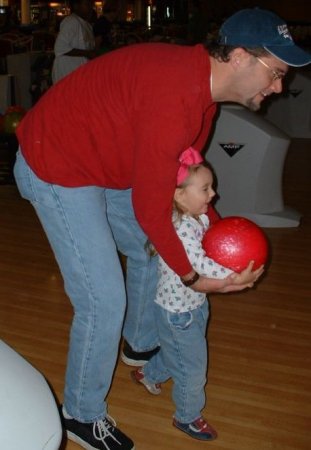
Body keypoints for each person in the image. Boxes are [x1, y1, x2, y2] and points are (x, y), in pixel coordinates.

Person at [13, 7, 310, 450]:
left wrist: (217, 236)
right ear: (241, 57)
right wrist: (197, 279)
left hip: (105, 163)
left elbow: (184, 187)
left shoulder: (204, 100)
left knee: (150, 249)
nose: (279, 87)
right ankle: (80, 413)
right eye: (275, 72)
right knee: (103, 300)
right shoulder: (177, 99)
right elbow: (153, 212)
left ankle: (140, 343)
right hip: (56, 163)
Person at [131, 147, 239, 441]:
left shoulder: (198, 218)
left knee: (176, 351)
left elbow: (212, 245)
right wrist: (231, 272)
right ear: (179, 196)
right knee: (193, 370)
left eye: (211, 186)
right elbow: (199, 263)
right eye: (205, 188)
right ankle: (187, 417)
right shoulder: (179, 229)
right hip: (178, 313)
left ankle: (147, 374)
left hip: (194, 303)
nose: (213, 193)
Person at [52, 0, 96, 83]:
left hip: (78, 74)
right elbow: (60, 47)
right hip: (67, 73)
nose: (91, 7)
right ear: (76, 6)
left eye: (91, 4)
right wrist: (87, 53)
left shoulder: (87, 25)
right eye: (87, 4)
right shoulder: (71, 22)